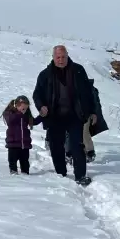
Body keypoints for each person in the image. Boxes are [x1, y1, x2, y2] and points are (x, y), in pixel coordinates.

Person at [32, 45, 96, 186]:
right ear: (53, 58)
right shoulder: (45, 74)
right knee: (56, 146)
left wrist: (93, 111)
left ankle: (80, 176)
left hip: (75, 116)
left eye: (63, 57)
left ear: (67, 56)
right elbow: (37, 94)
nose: (61, 60)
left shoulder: (78, 70)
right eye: (58, 57)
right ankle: (61, 173)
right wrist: (41, 106)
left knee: (77, 146)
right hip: (54, 116)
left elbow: (88, 93)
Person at [64, 78, 108, 163]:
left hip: (84, 115)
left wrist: (93, 113)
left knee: (84, 133)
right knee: (68, 134)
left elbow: (93, 103)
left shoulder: (87, 89)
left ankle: (90, 153)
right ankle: (69, 154)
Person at [2, 95, 43, 175]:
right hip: (13, 144)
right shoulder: (9, 113)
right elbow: (10, 120)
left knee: (25, 163)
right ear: (16, 105)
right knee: (12, 162)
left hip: (24, 145)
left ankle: (25, 175)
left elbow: (33, 122)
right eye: (23, 108)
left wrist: (41, 116)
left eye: (26, 108)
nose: (24, 110)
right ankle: (14, 177)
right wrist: (19, 113)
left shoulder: (26, 115)